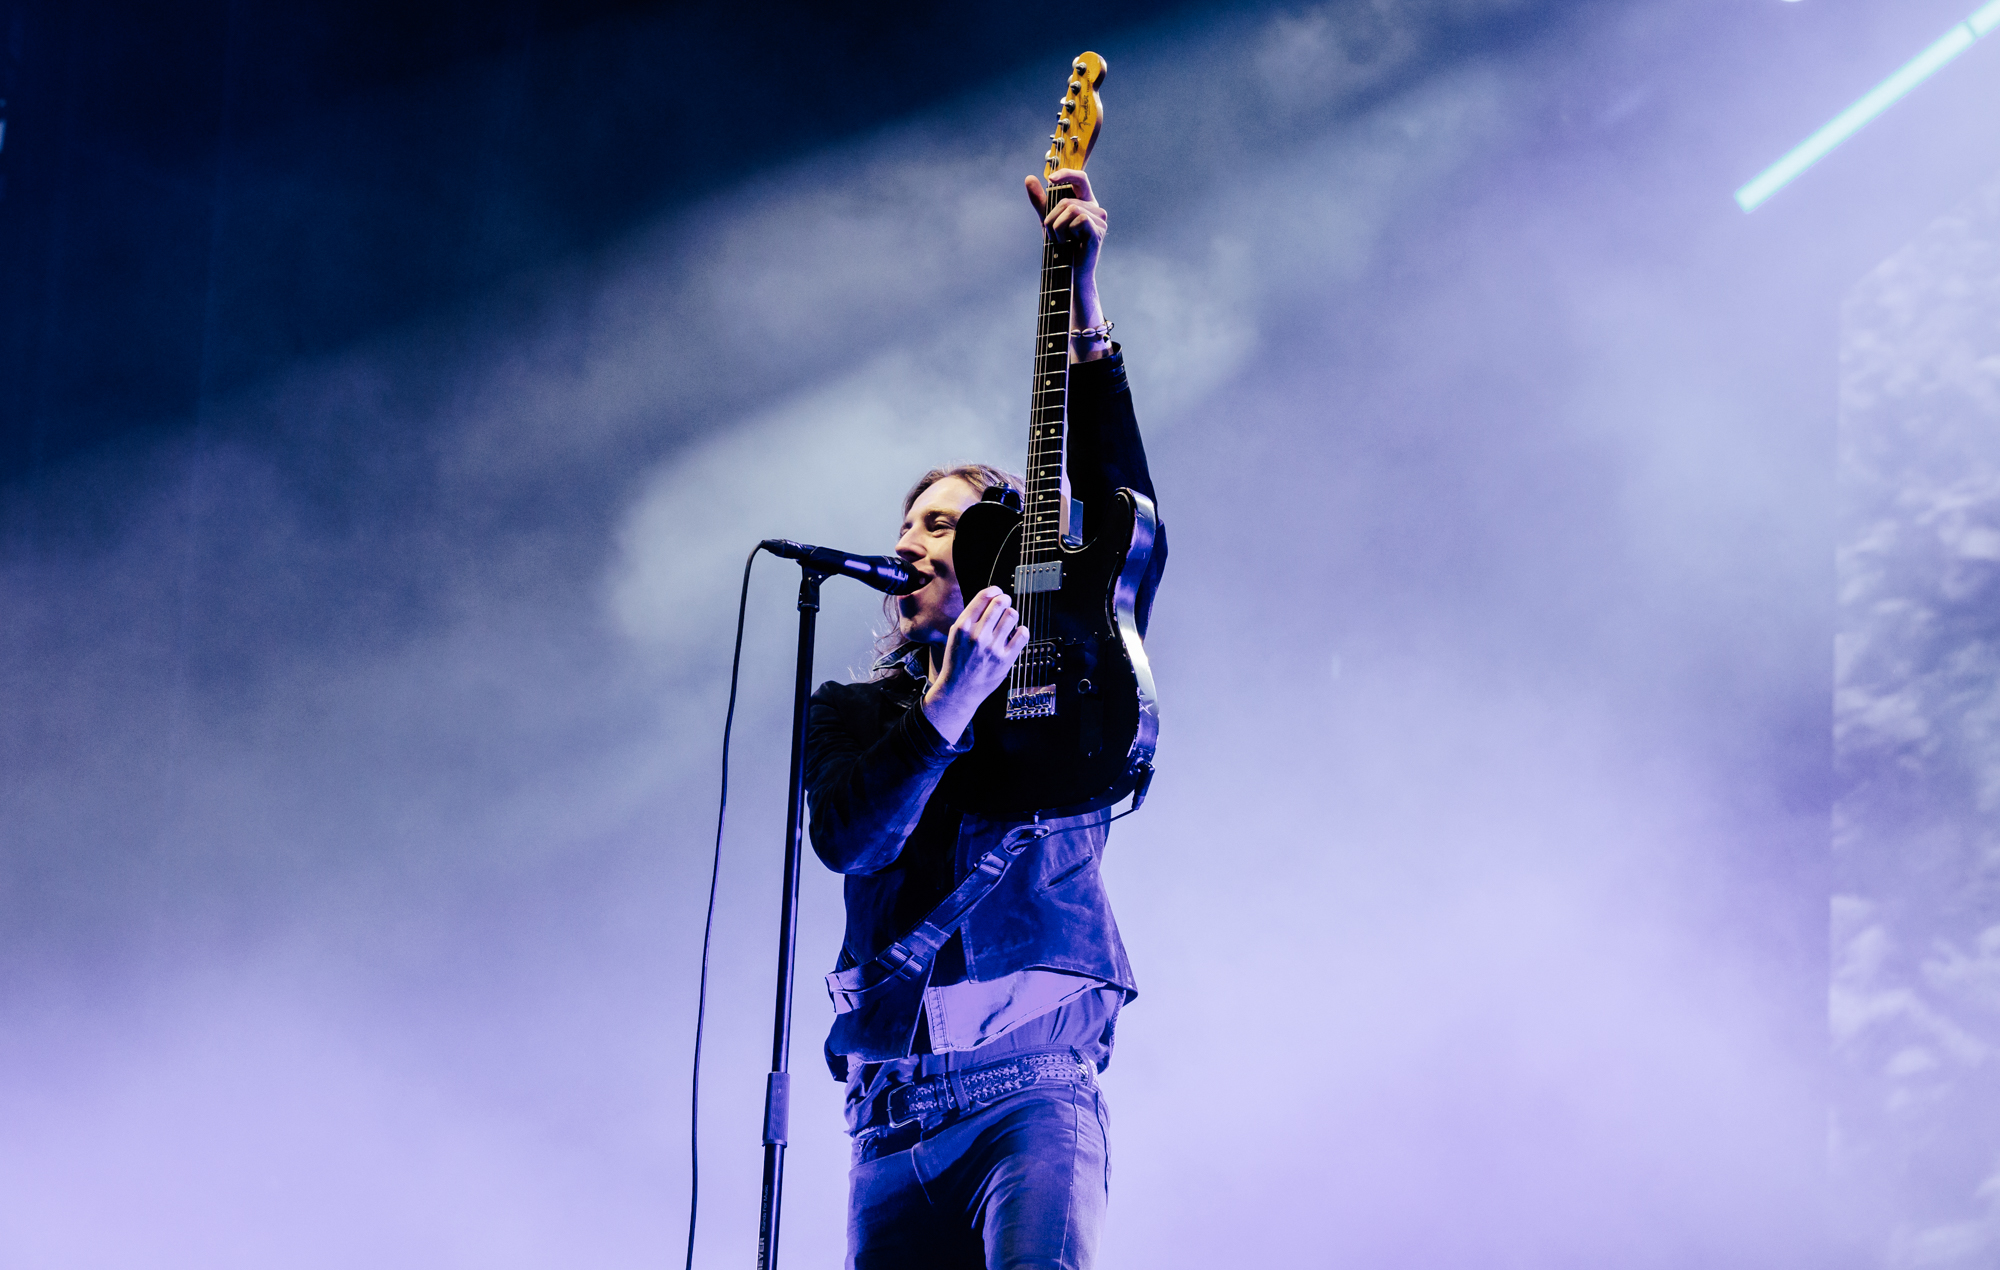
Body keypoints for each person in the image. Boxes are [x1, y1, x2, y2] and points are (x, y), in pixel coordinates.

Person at [802, 167, 1165, 1270]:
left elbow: (1125, 515)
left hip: (1028, 1096)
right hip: (887, 1118)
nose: (911, 542)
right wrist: (945, 702)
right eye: (906, 524)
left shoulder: (1063, 689)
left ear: (1002, 555)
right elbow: (849, 840)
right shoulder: (853, 711)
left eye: (944, 526)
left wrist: (1085, 314)